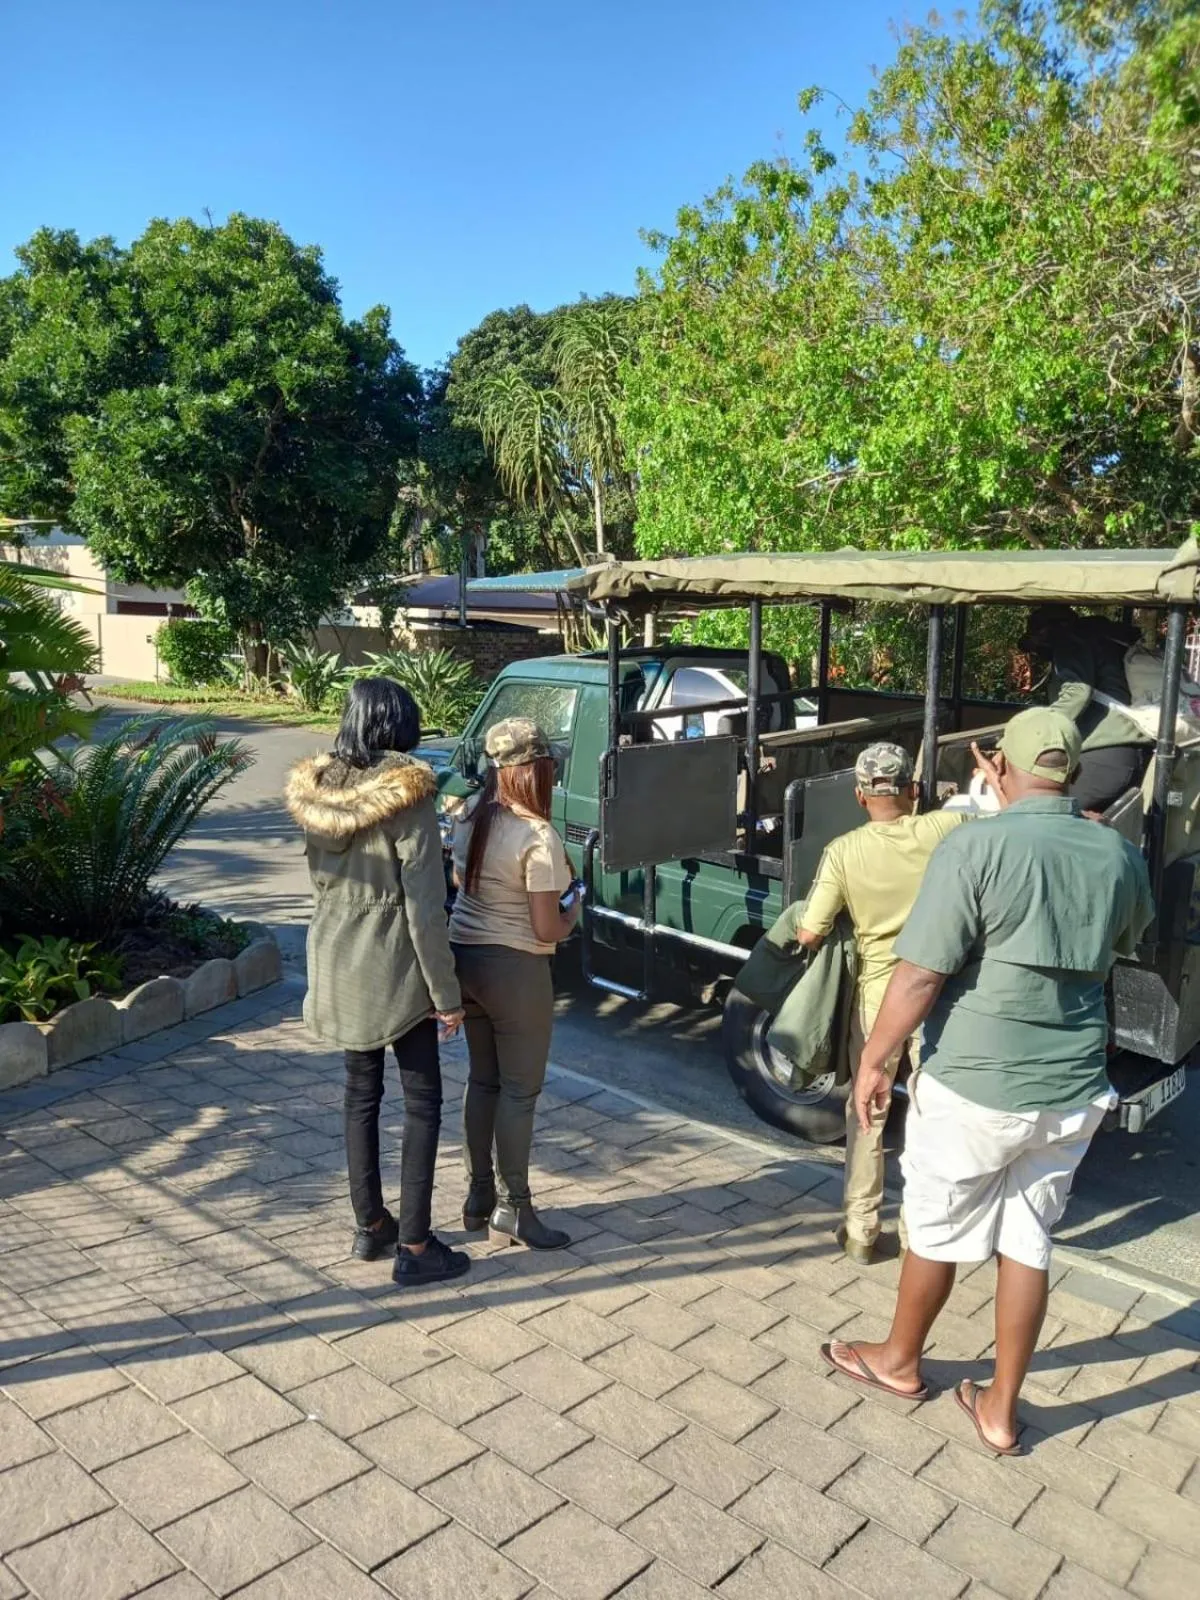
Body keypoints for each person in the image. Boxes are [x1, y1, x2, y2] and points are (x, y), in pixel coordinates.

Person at [822, 708, 1152, 1455]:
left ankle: (899, 1362)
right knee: (1028, 1241)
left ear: (997, 766)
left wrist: (873, 1060)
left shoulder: (975, 845)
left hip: (976, 1081)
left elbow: (920, 975)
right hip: (1071, 1088)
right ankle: (1001, 1409)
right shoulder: (1116, 853)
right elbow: (1128, 944)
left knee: (936, 1228)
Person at [285, 677, 470, 1287]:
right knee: (423, 1103)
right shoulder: (408, 793)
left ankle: (371, 1226)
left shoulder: (320, 792)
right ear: (398, 722)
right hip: (396, 967)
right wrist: (447, 998)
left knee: (360, 1097)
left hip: (338, 958)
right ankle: (415, 1249)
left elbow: (320, 886)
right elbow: (424, 907)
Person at [795, 742, 967, 1265]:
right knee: (931, 1111)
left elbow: (808, 932)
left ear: (860, 795)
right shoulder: (945, 830)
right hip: (941, 999)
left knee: (868, 1110)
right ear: (914, 792)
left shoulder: (845, 852)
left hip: (879, 1003)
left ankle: (862, 1230)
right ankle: (920, 1231)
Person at [449, 717, 579, 1250]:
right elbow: (547, 927)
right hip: (516, 968)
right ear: (537, 771)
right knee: (520, 1092)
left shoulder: (469, 815)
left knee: (483, 1082)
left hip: (465, 960)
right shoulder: (538, 836)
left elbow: (462, 882)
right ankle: (515, 1208)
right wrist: (576, 912)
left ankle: (479, 1196)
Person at [1022, 604, 1149, 812]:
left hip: (1101, 755)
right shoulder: (1105, 641)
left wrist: (1034, 731)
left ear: (1048, 631)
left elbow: (1077, 692)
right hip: (1126, 754)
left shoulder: (1071, 641)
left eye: (1037, 636)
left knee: (1040, 810)